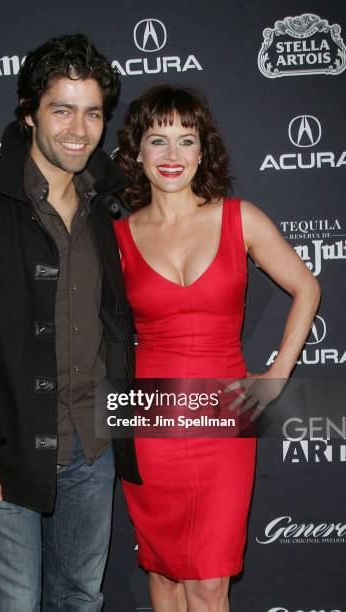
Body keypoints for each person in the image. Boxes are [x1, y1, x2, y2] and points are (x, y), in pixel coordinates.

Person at [0, 33, 141, 612]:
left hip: (92, 448)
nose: (78, 128)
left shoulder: (104, 207)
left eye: (92, 112)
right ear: (28, 113)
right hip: (4, 451)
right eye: (61, 109)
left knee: (81, 598)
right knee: (14, 603)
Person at [113, 85, 320, 612]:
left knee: (208, 582)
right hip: (151, 420)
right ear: (137, 151)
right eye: (158, 141)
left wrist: (274, 376)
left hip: (225, 418)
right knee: (163, 573)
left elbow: (306, 287)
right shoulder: (116, 236)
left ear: (203, 149)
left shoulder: (239, 218)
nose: (172, 156)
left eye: (186, 140)